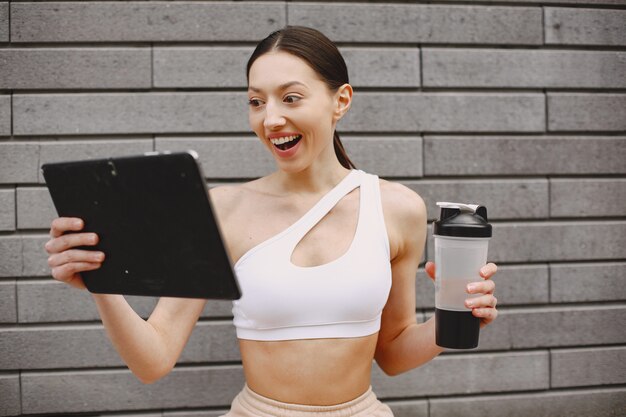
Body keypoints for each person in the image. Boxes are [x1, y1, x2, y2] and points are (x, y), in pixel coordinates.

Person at [45, 26, 498, 417]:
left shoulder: (398, 208)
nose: (271, 118)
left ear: (341, 101)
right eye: (256, 101)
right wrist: (101, 281)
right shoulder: (223, 210)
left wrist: (454, 320)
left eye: (291, 97)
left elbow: (393, 352)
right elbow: (154, 358)